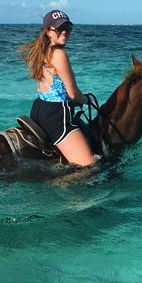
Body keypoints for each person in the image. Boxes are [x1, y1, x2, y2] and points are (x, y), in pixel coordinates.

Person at [18, 10, 95, 166]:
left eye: (67, 27)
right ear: (48, 31)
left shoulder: (40, 51)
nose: (65, 32)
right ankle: (59, 184)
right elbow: (73, 94)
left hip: (39, 108)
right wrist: (85, 99)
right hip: (57, 115)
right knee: (89, 166)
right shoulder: (59, 54)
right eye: (59, 28)